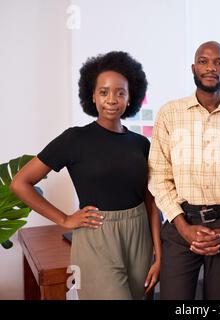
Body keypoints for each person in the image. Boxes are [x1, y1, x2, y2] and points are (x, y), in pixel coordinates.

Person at [10, 51, 161, 300]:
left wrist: (159, 254)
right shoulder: (74, 139)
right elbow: (20, 183)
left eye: (120, 92)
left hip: (140, 235)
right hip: (97, 237)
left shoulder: (141, 144)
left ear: (130, 97)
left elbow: (151, 201)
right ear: (92, 95)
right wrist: (64, 219)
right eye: (104, 92)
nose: (111, 99)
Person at [149, 41, 220, 300]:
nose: (211, 67)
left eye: (219, 62)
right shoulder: (169, 114)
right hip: (180, 223)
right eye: (204, 61)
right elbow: (159, 176)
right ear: (193, 68)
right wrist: (184, 227)